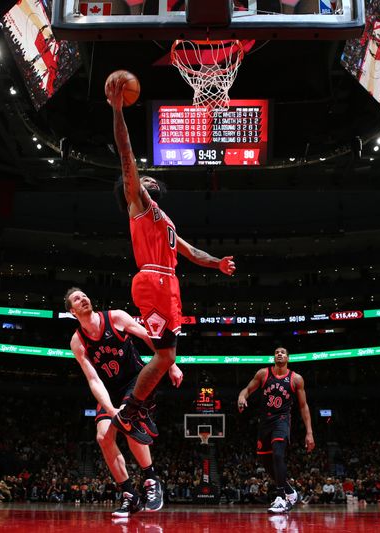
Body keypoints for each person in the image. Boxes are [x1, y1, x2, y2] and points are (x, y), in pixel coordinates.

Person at [105, 75, 236, 445]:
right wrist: (117, 111)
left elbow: (192, 252)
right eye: (140, 179)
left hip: (168, 281)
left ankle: (134, 409)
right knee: (164, 357)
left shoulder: (165, 220)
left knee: (165, 357)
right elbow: (126, 153)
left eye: (148, 179)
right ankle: (131, 411)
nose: (146, 180)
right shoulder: (139, 204)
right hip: (154, 279)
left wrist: (218, 264)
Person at [65, 287, 183, 517]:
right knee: (102, 436)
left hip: (136, 380)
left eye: (85, 295)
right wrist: (110, 410)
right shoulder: (77, 341)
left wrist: (171, 363)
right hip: (110, 390)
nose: (84, 298)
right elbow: (93, 379)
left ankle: (151, 480)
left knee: (127, 423)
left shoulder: (116, 317)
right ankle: (130, 495)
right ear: (72, 311)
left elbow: (148, 337)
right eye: (77, 299)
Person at [237, 346, 315, 513]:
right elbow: (247, 390)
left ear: (288, 358)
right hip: (265, 422)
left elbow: (303, 406)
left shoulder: (296, 379)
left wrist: (309, 432)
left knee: (278, 454)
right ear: (273, 357)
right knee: (267, 464)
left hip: (282, 420)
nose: (279, 354)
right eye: (276, 352)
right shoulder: (263, 374)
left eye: (283, 353)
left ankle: (281, 498)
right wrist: (242, 397)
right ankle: (289, 491)